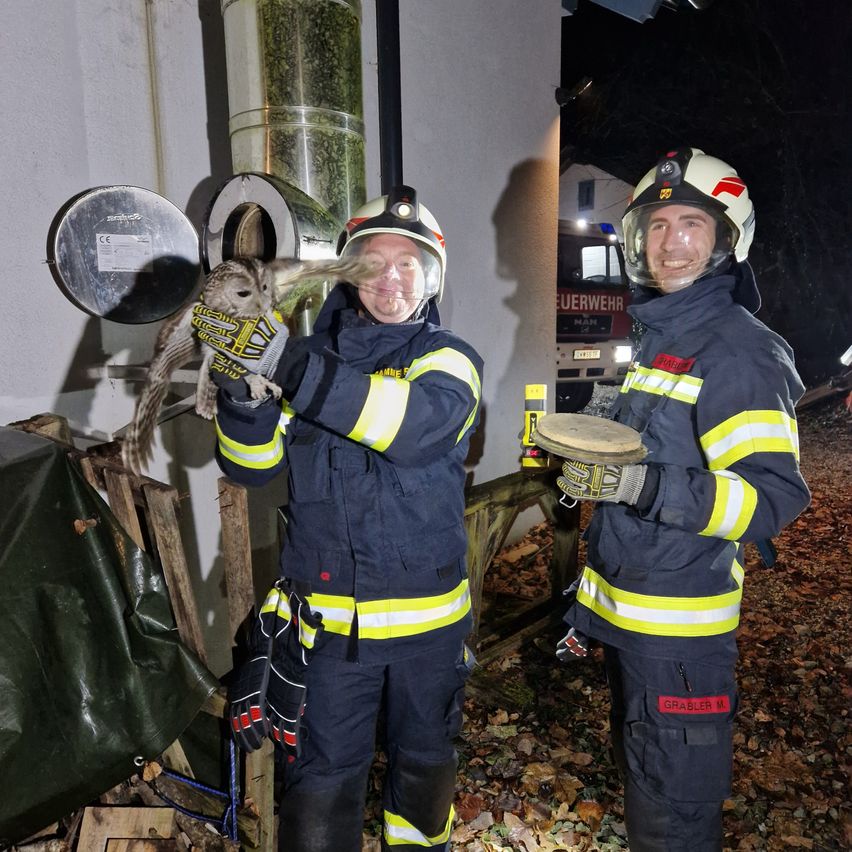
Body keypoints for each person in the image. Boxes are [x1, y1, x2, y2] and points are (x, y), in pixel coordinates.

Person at [191, 185, 483, 852]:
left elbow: (405, 426)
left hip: (428, 636)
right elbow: (255, 467)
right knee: (319, 792)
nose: (389, 277)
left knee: (425, 773)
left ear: (431, 276)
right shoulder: (308, 365)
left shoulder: (450, 361)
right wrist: (243, 392)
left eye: (408, 263)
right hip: (329, 633)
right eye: (371, 261)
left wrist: (282, 361)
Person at [551, 148, 810, 851]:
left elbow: (773, 497)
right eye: (657, 226)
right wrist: (599, 466)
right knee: (647, 787)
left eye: (691, 224)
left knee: (672, 818)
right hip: (633, 619)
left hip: (681, 632)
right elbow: (653, 449)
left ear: (728, 239)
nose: (671, 244)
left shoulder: (739, 350)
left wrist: (639, 485)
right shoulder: (664, 336)